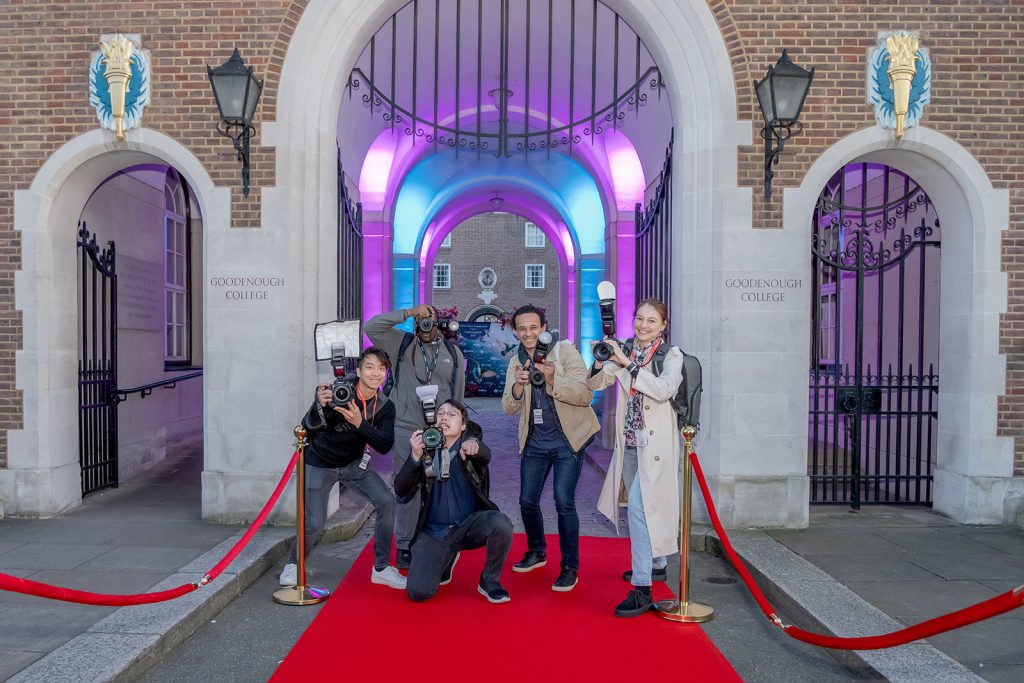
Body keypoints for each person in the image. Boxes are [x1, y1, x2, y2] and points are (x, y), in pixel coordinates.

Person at [278, 347, 406, 590]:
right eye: (370, 367)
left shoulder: (385, 406)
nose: (375, 373)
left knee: (387, 502)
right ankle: (293, 565)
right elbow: (308, 426)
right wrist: (319, 404)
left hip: (354, 465)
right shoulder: (339, 391)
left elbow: (385, 445)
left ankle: (380, 568)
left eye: (381, 369)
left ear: (386, 374)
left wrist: (359, 423)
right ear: (358, 371)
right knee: (315, 524)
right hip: (320, 464)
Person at [587, 299, 683, 617]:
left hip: (655, 448)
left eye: (651, 321)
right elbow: (595, 384)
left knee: (641, 511)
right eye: (639, 318)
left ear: (663, 326)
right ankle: (655, 562)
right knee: (637, 509)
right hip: (628, 444)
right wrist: (599, 360)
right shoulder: (624, 349)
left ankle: (642, 588)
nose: (643, 325)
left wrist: (626, 362)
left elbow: (663, 389)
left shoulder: (671, 355)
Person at [501, 304, 599, 592]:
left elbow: (585, 394)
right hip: (535, 441)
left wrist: (554, 377)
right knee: (527, 500)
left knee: (563, 500)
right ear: (516, 332)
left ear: (544, 327)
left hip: (568, 441)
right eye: (522, 328)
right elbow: (508, 407)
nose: (528, 333)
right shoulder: (515, 360)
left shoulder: (565, 352)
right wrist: (518, 386)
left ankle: (570, 567)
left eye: (534, 327)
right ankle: (537, 551)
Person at [366, 304, 468, 569]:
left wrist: (454, 432)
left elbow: (457, 396)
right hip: (406, 427)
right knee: (407, 488)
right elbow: (371, 327)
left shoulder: (453, 353)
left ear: (439, 323)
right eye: (419, 320)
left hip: (441, 431)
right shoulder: (401, 344)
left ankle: (436, 538)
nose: (424, 324)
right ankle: (404, 544)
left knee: (439, 485)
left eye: (429, 319)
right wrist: (409, 312)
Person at [394, 400, 513, 604]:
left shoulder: (469, 447)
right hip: (433, 531)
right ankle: (446, 560)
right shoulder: (425, 450)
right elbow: (401, 489)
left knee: (501, 524)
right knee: (418, 592)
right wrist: (414, 456)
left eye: (452, 414)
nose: (444, 417)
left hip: (468, 525)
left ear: (463, 425)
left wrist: (476, 446)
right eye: (440, 413)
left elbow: (486, 455)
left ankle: (489, 580)